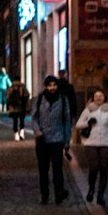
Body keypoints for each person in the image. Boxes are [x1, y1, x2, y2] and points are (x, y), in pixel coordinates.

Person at [75, 88, 108, 205]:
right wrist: (88, 123)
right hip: (91, 143)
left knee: (104, 168)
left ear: (104, 98)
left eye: (101, 96)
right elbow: (78, 125)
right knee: (94, 168)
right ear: (93, 98)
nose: (98, 98)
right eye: (96, 96)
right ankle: (91, 189)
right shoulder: (88, 110)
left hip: (106, 143)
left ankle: (100, 194)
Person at [31, 73, 72, 204]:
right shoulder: (39, 99)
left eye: (54, 85)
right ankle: (44, 194)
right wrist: (37, 131)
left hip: (57, 138)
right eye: (50, 85)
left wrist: (67, 140)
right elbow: (34, 117)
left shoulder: (63, 99)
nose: (52, 88)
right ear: (45, 86)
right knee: (43, 169)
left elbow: (66, 120)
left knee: (57, 166)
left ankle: (59, 192)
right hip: (42, 139)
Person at [56, 70, 77, 161]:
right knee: (67, 128)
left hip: (58, 111)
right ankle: (66, 145)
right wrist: (74, 112)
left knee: (60, 128)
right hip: (68, 111)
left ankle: (60, 145)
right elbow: (73, 100)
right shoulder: (69, 87)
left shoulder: (56, 86)